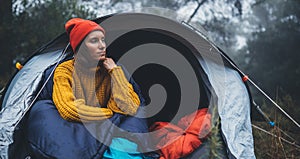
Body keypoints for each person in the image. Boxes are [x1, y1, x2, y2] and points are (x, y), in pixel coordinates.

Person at [26, 18, 157, 159]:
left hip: (101, 125)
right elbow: (69, 110)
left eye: (103, 40)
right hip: (77, 125)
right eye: (94, 41)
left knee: (130, 126)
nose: (102, 46)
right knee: (43, 110)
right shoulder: (64, 71)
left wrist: (115, 72)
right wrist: (108, 113)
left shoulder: (110, 69)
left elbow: (129, 107)